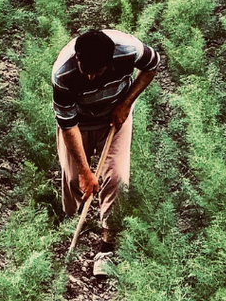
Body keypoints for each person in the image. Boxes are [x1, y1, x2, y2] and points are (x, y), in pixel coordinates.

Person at [52, 29, 160, 274]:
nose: (90, 78)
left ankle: (107, 245)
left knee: (117, 178)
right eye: (85, 71)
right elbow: (68, 125)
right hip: (78, 122)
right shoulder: (63, 73)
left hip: (115, 117)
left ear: (109, 62)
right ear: (77, 59)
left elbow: (153, 66)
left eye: (97, 72)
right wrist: (84, 171)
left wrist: (126, 103)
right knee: (73, 178)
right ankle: (73, 219)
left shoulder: (129, 49)